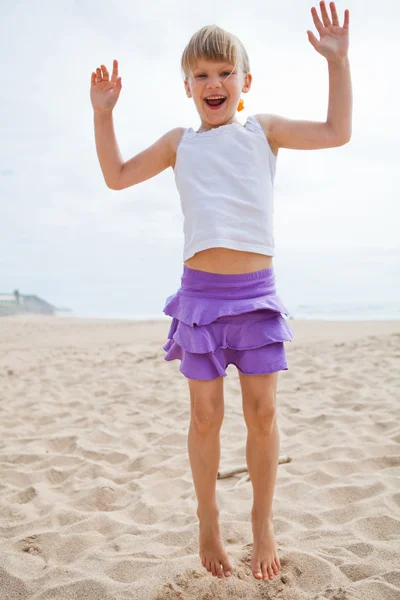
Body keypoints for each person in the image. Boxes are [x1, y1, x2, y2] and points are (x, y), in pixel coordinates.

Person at [90, 0, 352, 584]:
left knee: (262, 414)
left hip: (256, 296)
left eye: (224, 72)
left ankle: (262, 522)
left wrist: (338, 62)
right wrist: (103, 115)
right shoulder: (179, 143)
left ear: (246, 81)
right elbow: (115, 176)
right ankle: (208, 515)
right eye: (202, 75)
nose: (214, 83)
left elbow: (338, 132)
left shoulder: (265, 132)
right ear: (187, 86)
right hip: (201, 299)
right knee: (205, 418)